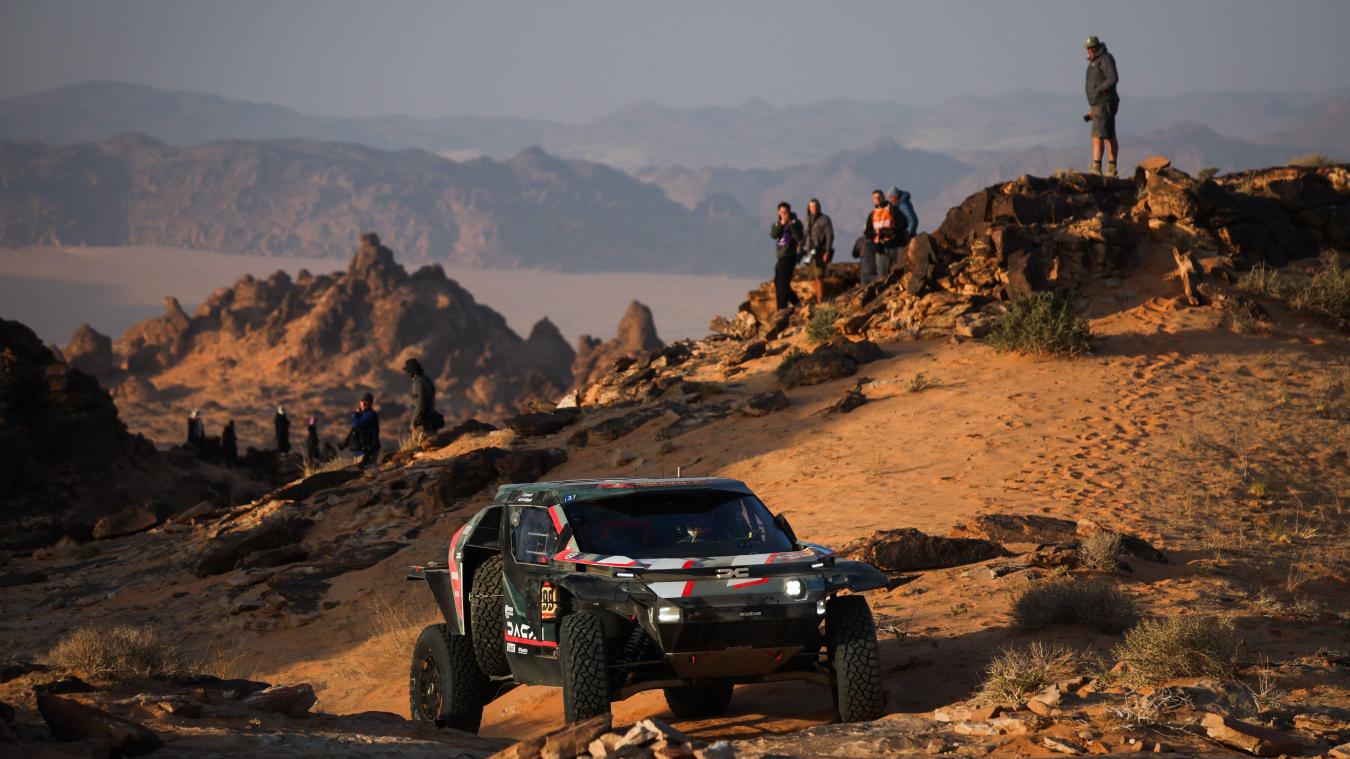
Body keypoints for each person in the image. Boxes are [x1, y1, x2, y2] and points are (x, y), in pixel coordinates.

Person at [1082, 35, 1120, 177]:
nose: (1090, 51)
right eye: (1088, 49)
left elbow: (1113, 78)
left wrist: (1099, 90)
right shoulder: (1096, 61)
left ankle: (1096, 167)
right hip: (1100, 104)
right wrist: (1093, 106)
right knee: (1108, 134)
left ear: (1098, 46)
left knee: (1098, 135)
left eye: (1092, 48)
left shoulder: (1105, 59)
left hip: (1104, 102)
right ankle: (1111, 167)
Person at [769, 201, 804, 311]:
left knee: (782, 283)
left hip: (790, 255)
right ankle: (796, 303)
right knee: (778, 282)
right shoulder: (778, 223)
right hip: (781, 255)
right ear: (779, 212)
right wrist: (781, 224)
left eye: (786, 212)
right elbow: (773, 234)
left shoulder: (796, 222)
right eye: (782, 212)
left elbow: (799, 236)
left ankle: (782, 308)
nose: (784, 214)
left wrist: (791, 224)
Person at [863, 189, 903, 282]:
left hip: (894, 246)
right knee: (882, 275)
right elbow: (867, 233)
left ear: (883, 197)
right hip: (880, 248)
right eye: (875, 198)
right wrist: (877, 234)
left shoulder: (891, 210)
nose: (877, 199)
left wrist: (890, 231)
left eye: (879, 197)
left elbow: (902, 224)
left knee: (897, 272)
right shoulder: (872, 214)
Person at [802, 198, 835, 303]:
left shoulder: (825, 219)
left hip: (820, 251)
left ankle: (821, 299)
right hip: (809, 251)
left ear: (819, 207)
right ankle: (817, 298)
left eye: (816, 206)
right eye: (811, 206)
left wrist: (827, 251)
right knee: (812, 276)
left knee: (819, 276)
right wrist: (800, 246)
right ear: (809, 208)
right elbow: (804, 235)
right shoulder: (806, 220)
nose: (814, 208)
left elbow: (830, 236)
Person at [341, 392, 381, 467]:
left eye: (366, 401)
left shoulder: (371, 415)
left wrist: (354, 414)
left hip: (368, 452)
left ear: (371, 403)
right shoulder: (361, 414)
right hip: (359, 452)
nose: (364, 403)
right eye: (362, 401)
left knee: (366, 471)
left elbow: (356, 424)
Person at [404, 358, 442, 434]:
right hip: (431, 419)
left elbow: (420, 406)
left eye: (408, 371)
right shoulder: (427, 379)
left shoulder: (418, 383)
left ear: (411, 372)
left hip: (423, 423)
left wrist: (413, 422)